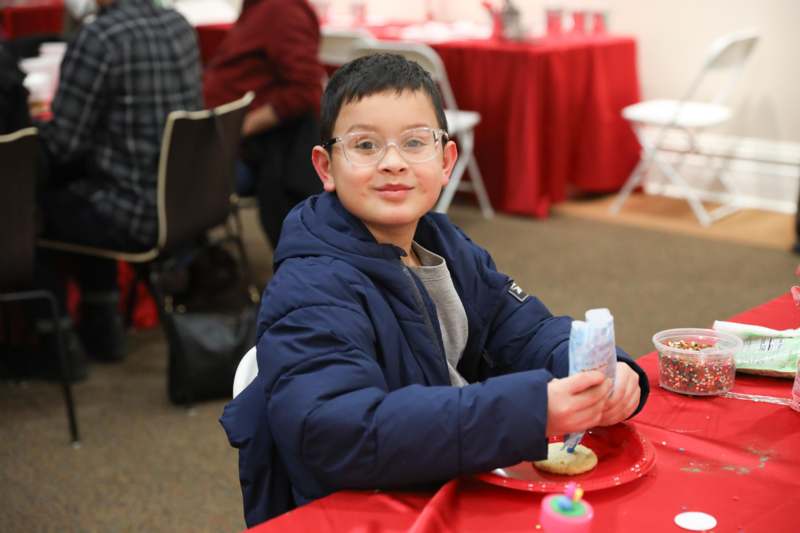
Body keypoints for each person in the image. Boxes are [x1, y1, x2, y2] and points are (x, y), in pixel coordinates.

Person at [221, 53, 650, 527]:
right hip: (362, 507)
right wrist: (530, 410)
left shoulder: (443, 244)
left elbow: (523, 330)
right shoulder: (311, 286)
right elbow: (338, 432)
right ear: (325, 168)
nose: (392, 163)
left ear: (446, 161)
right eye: (365, 145)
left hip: (443, 474)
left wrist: (601, 369)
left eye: (414, 143)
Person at [34, 0, 202, 375]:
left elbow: (63, 144)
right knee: (82, 187)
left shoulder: (99, 37)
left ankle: (57, 345)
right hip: (181, 203)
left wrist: (27, 129)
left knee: (27, 206)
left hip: (130, 212)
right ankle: (102, 320)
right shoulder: (179, 25)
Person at [203, 0, 325, 249]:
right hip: (226, 146)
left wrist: (238, 128)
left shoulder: (282, 11)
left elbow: (306, 90)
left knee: (153, 177)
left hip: (240, 154)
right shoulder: (261, 8)